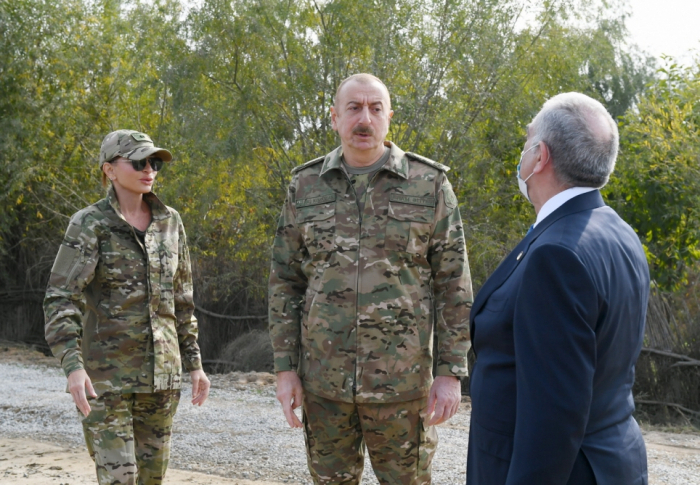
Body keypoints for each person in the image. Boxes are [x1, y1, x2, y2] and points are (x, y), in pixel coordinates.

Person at [268, 73, 473, 484]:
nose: (365, 118)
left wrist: (451, 373)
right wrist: (285, 368)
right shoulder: (305, 185)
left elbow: (453, 284)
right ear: (334, 117)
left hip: (402, 387)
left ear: (389, 116)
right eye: (354, 108)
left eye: (375, 108)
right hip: (325, 386)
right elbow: (284, 281)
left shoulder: (429, 184)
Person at [466, 92, 650, 485]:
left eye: (527, 139)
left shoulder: (557, 256)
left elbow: (552, 419)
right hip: (611, 462)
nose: (522, 152)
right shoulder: (617, 230)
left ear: (540, 156)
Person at [44, 129, 210, 485]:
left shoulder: (170, 222)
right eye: (139, 162)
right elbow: (61, 298)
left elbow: (182, 300)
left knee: (151, 480)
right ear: (110, 170)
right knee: (120, 479)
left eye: (154, 163)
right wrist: (73, 367)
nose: (149, 169)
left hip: (162, 377)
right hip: (107, 380)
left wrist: (194, 363)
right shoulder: (90, 224)